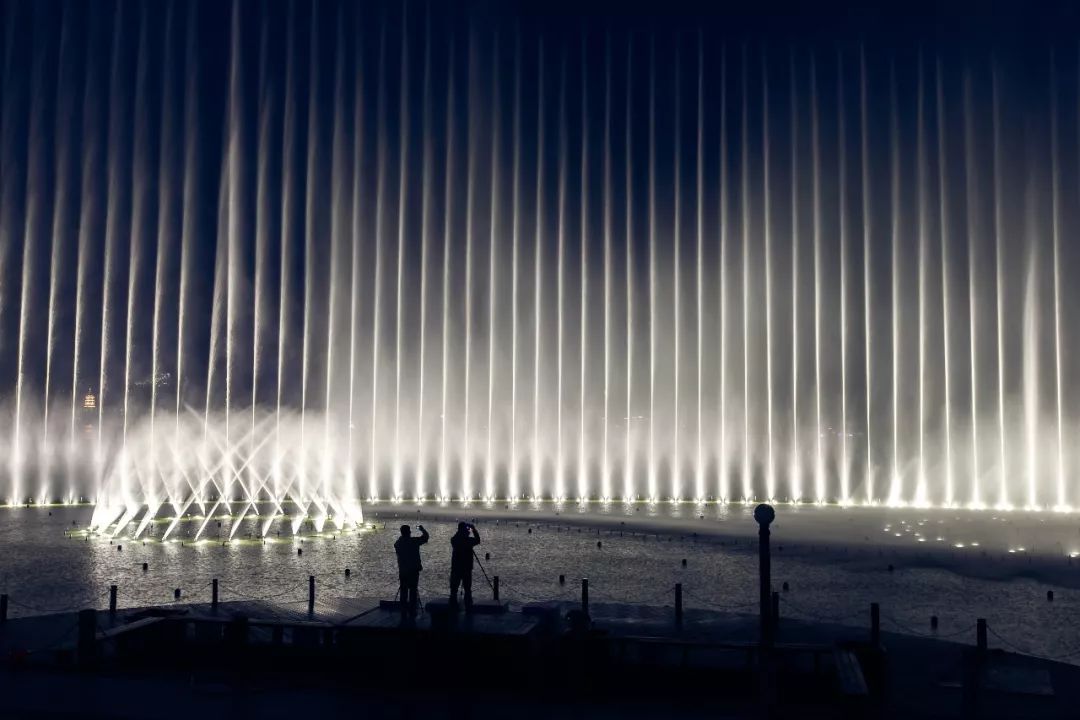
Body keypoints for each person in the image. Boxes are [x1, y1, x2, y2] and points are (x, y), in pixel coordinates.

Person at [394, 524, 428, 616]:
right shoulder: (414, 541)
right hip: (413, 571)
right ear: (409, 532)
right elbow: (425, 538)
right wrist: (422, 529)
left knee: (403, 592)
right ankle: (412, 611)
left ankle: (403, 612)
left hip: (403, 571)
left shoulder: (397, 544)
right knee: (413, 592)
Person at [449, 521, 481, 611]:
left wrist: (464, 531)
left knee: (454, 589)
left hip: (456, 568)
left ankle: (453, 608)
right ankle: (468, 608)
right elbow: (478, 540)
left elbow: (455, 538)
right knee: (467, 589)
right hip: (466, 568)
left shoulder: (454, 539)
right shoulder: (468, 541)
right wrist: (473, 529)